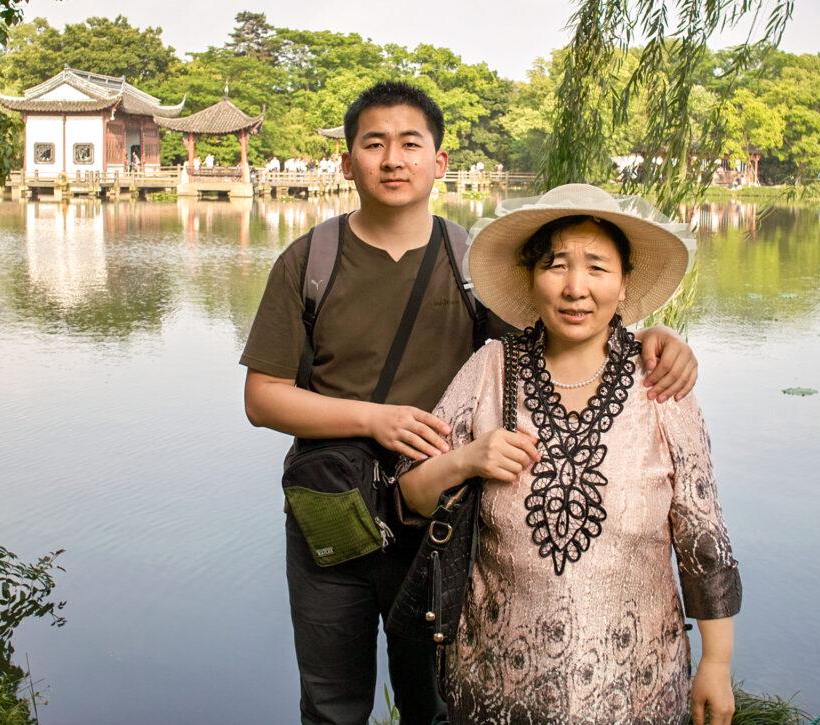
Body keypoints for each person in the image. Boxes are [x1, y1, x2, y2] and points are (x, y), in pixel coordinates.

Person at [240, 83, 701, 724]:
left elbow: (559, 340)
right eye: (374, 144)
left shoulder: (468, 266)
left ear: (440, 161)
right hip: (332, 515)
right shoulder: (310, 260)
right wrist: (374, 418)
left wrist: (652, 335)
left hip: (442, 524)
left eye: (410, 144)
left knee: (433, 701)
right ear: (348, 162)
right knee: (330, 704)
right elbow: (262, 400)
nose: (393, 160)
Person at [398, 183, 742, 724]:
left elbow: (701, 534)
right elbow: (412, 496)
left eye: (598, 268)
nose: (575, 288)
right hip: (496, 687)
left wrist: (717, 662)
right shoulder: (490, 368)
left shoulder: (661, 382)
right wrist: (466, 460)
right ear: (531, 279)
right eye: (557, 265)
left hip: (638, 689)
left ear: (624, 283)